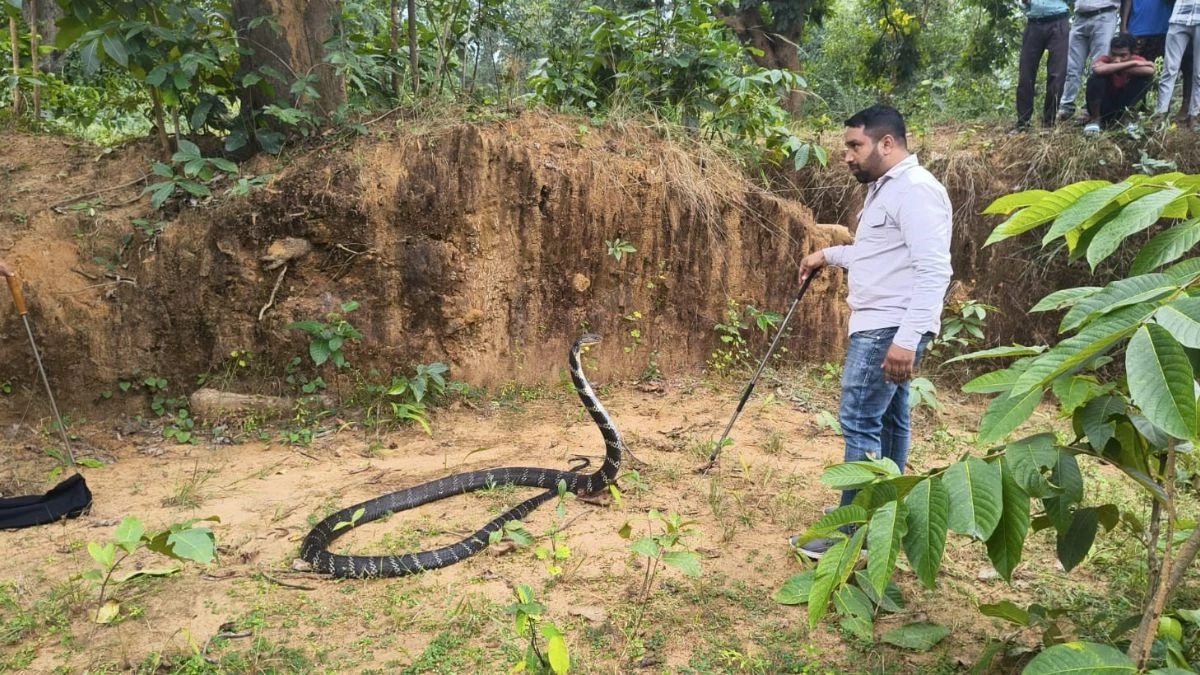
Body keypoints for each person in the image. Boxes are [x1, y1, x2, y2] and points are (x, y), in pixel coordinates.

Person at [791, 105, 953, 560]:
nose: (847, 155)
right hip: (886, 323)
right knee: (890, 421)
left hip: (889, 327)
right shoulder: (886, 189)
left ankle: (851, 537)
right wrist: (828, 255)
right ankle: (882, 515)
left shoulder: (916, 190)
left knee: (861, 421)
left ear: (886, 143)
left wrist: (906, 339)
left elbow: (934, 270)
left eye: (854, 145)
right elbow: (878, 255)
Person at [1059, 0, 1128, 122]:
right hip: (1079, 17)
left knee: (1098, 67)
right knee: (1072, 67)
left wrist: (1123, 25)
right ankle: (1066, 107)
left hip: (1104, 15)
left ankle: (1089, 109)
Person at [1125, 0, 1194, 122]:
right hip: (1140, 24)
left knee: (1187, 65)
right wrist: (1123, 24)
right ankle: (1132, 107)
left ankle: (1185, 106)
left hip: (1174, 23)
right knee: (1136, 69)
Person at [1084, 34, 1157, 133]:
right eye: (1113, 55)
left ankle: (1125, 118)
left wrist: (1115, 67)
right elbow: (1098, 70)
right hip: (1104, 106)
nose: (1117, 59)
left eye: (1123, 55)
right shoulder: (1106, 59)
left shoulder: (1137, 59)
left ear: (1131, 54)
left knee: (1144, 79)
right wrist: (1132, 64)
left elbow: (1150, 71)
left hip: (1122, 105)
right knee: (1095, 78)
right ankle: (1095, 119)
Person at [1016, 0, 1072, 130]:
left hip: (1059, 21)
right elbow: (1022, 4)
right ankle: (1023, 123)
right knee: (1025, 74)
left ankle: (1049, 123)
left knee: (1057, 75)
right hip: (1033, 23)